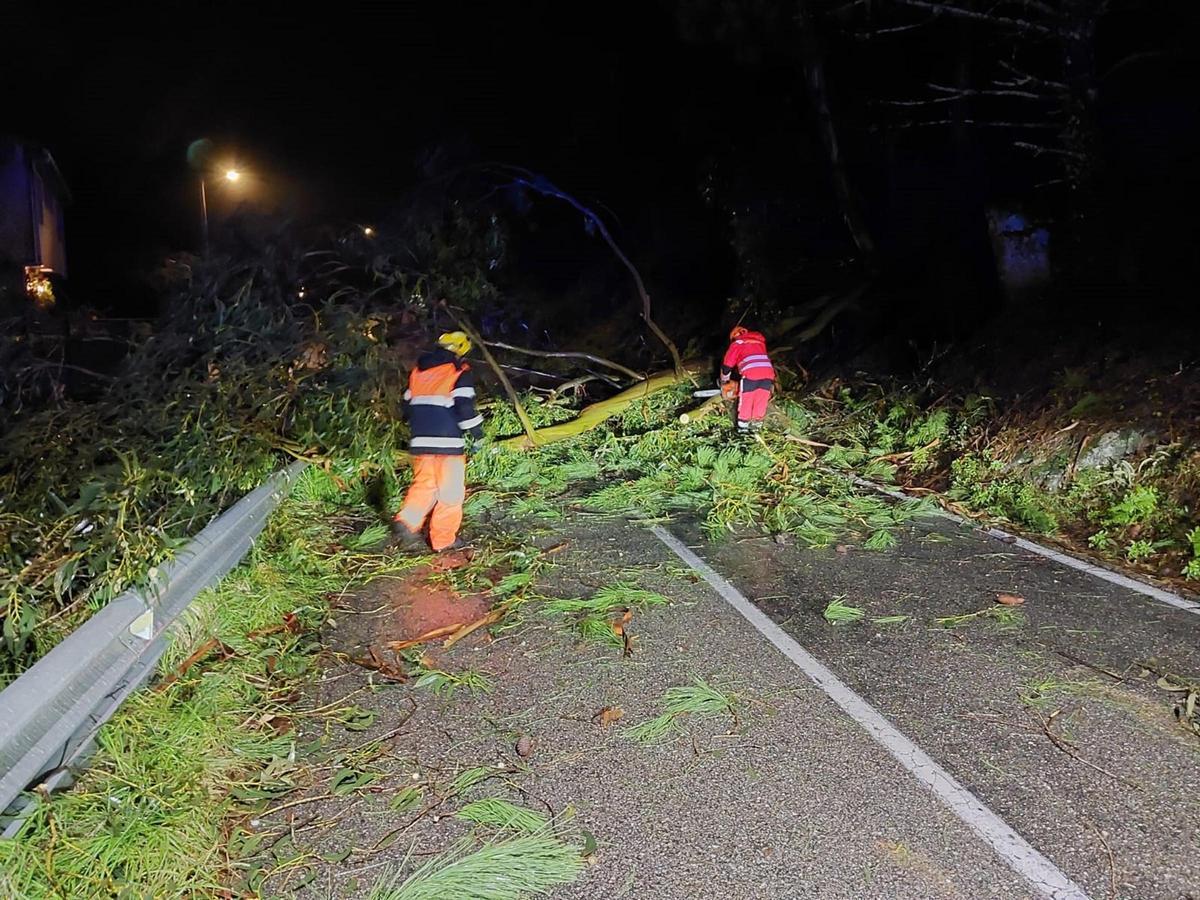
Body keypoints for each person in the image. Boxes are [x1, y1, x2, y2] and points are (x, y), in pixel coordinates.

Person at [392, 331, 484, 552]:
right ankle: (444, 540)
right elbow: (464, 407)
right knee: (450, 492)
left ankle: (407, 522)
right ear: (461, 348)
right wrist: (477, 433)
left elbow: (406, 406)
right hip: (448, 443)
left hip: (420, 441)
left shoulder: (418, 372)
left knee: (425, 485)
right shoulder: (458, 371)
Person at [720, 325, 776, 433]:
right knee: (761, 398)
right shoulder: (759, 342)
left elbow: (727, 364)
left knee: (747, 398)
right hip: (768, 373)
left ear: (734, 336)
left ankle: (743, 429)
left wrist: (724, 380)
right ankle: (756, 428)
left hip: (751, 373)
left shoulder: (737, 343)